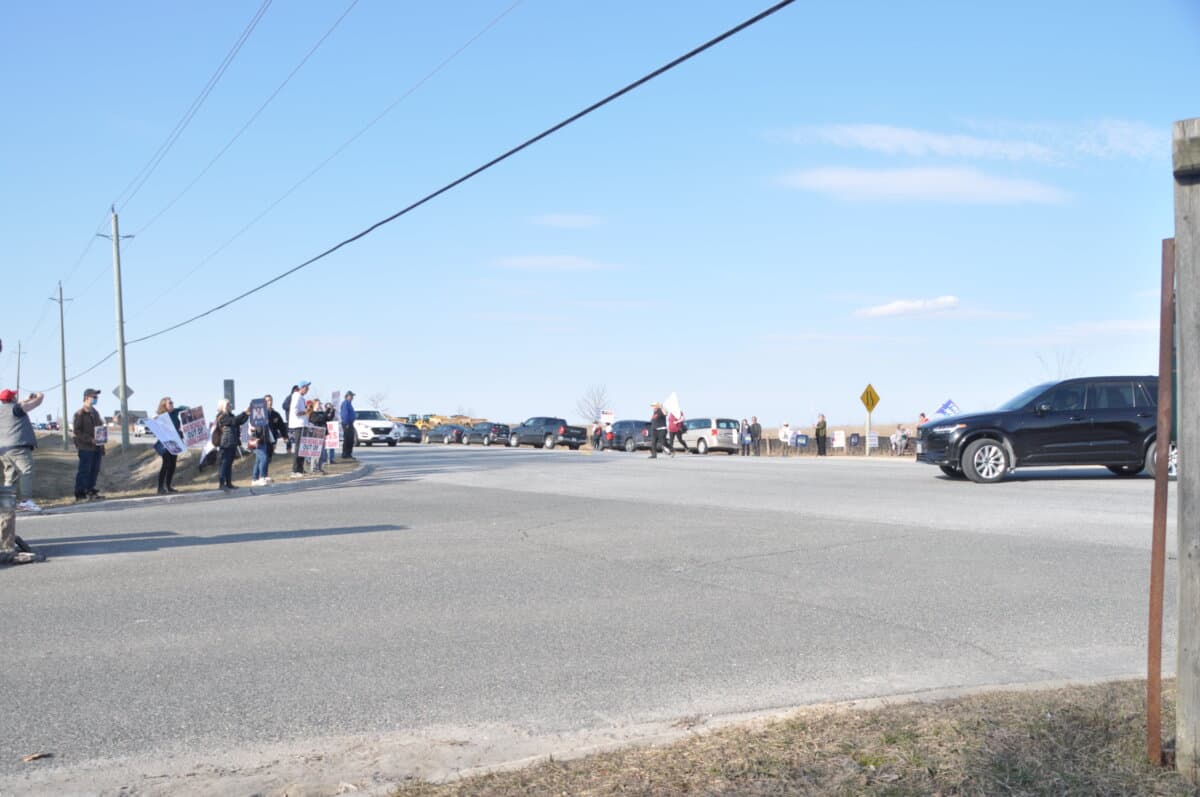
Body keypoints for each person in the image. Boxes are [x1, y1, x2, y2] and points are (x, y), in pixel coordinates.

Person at [0, 388, 44, 511]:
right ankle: (26, 501)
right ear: (12, 399)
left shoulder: (3, 410)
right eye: (14, 396)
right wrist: (39, 396)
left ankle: (7, 503)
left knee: (10, 476)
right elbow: (37, 403)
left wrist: (27, 399)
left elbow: (20, 404)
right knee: (26, 470)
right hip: (18, 447)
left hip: (3, 450)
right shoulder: (16, 409)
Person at [72, 388, 106, 501]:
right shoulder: (80, 413)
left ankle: (90, 490)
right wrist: (90, 439)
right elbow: (77, 431)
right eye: (94, 397)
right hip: (86, 447)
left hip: (97, 447)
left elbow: (99, 427)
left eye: (96, 397)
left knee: (94, 469)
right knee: (84, 470)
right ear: (86, 397)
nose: (96, 399)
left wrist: (102, 436)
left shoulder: (95, 412)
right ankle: (80, 493)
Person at [214, 399, 250, 491]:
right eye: (228, 404)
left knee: (229, 464)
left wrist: (246, 414)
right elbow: (233, 421)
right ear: (222, 406)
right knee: (224, 464)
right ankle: (222, 484)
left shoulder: (230, 415)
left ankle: (229, 483)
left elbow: (239, 421)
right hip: (225, 443)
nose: (230, 405)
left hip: (232, 442)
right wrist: (244, 413)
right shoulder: (221, 416)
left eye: (230, 404)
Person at [154, 396, 182, 494]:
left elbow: (185, 407)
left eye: (172, 402)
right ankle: (160, 487)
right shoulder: (161, 416)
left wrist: (180, 408)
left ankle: (169, 486)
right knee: (166, 464)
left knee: (173, 465)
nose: (172, 404)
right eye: (170, 403)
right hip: (165, 444)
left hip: (175, 442)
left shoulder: (175, 413)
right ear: (164, 406)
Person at [288, 381, 311, 477]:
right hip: (298, 425)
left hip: (303, 424)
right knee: (298, 448)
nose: (307, 389)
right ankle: (295, 470)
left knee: (302, 448)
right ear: (301, 387)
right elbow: (295, 411)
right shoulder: (296, 396)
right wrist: (305, 411)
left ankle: (300, 469)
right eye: (306, 387)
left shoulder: (302, 398)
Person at [307, 399, 329, 474]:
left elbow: (328, 418)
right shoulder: (312, 414)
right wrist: (326, 413)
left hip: (322, 434)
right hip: (316, 435)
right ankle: (314, 469)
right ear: (314, 405)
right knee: (316, 453)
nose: (320, 405)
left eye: (320, 404)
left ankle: (319, 468)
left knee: (323, 454)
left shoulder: (320, 413)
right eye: (318, 404)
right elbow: (320, 419)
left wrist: (330, 410)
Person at [339, 391, 357, 460]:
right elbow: (345, 414)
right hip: (347, 423)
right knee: (347, 439)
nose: (352, 397)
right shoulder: (345, 403)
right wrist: (346, 423)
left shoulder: (349, 403)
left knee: (351, 439)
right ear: (347, 396)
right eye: (351, 396)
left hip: (350, 423)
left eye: (352, 396)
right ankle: (345, 454)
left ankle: (349, 453)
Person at [282, 385, 299, 452]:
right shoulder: (289, 397)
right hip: (290, 420)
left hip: (298, 420)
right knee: (289, 435)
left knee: (297, 436)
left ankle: (297, 450)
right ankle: (289, 450)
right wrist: (292, 406)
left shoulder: (300, 398)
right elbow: (284, 406)